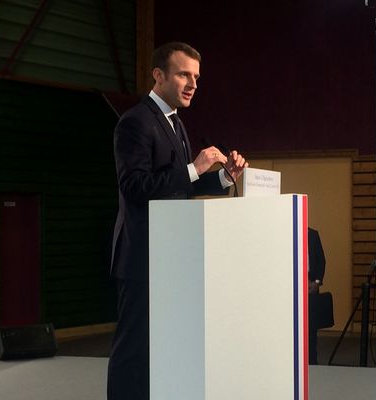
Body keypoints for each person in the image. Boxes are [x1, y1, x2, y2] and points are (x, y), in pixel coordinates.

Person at [107, 42, 248, 400]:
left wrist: (223, 178)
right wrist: (195, 165)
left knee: (162, 350)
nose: (193, 83)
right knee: (133, 352)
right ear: (159, 75)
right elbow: (135, 187)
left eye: (197, 77)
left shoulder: (175, 122)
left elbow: (184, 186)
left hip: (170, 258)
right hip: (142, 258)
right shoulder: (135, 122)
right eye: (184, 74)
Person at [308, 227, 326, 364]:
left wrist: (317, 282)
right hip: (292, 285)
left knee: (312, 327)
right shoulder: (287, 232)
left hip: (312, 285)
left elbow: (321, 260)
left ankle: (312, 362)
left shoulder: (313, 235)